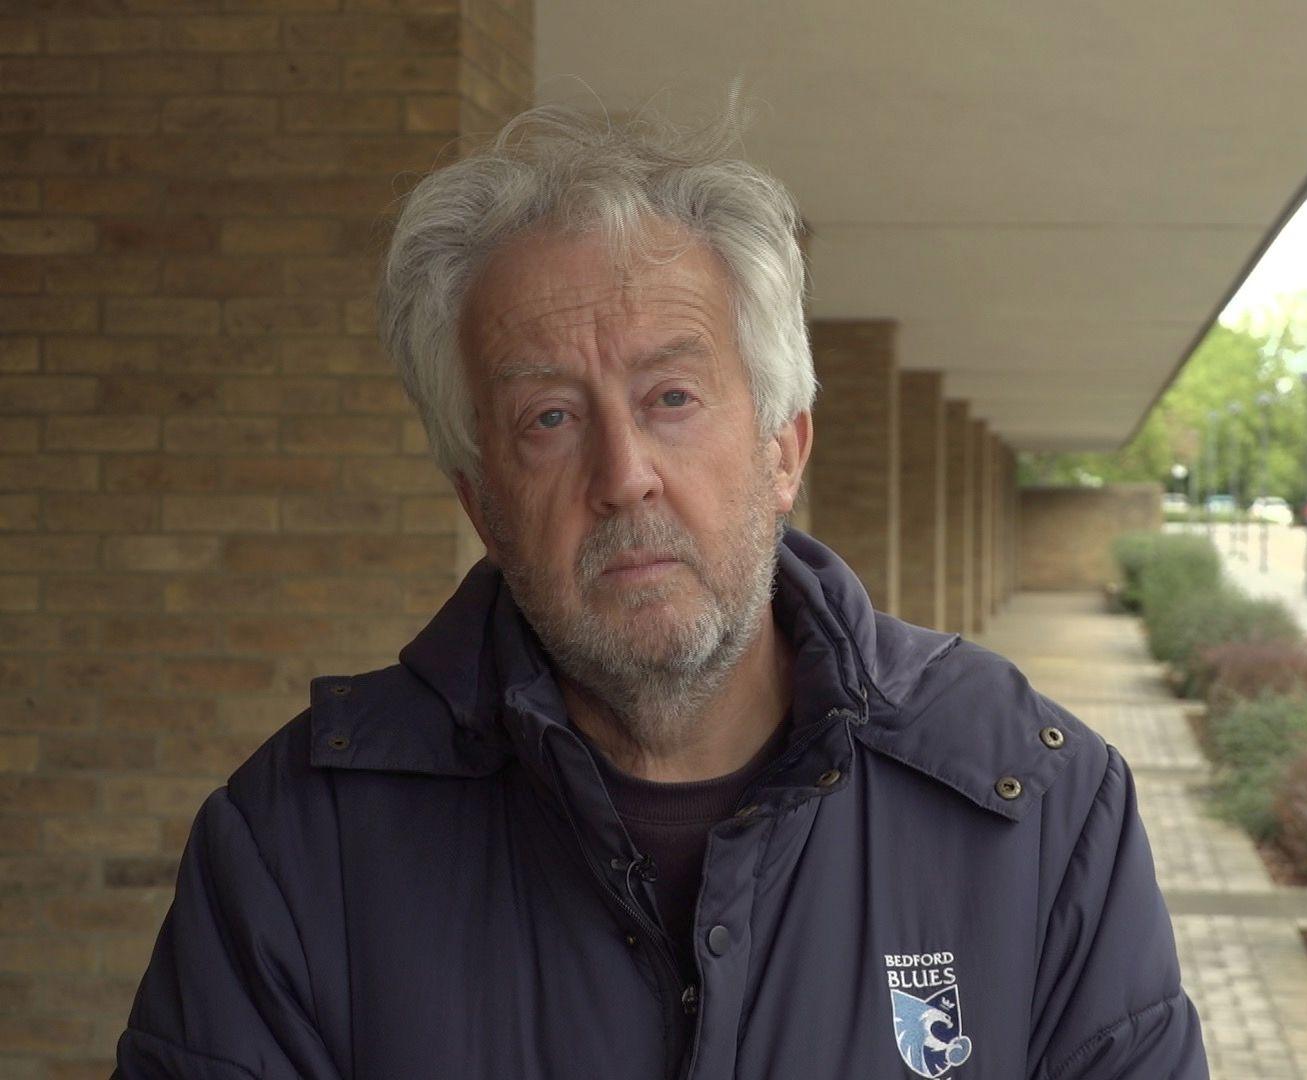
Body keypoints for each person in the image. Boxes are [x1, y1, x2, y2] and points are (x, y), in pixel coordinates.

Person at [114, 105, 1206, 1079]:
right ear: (483, 500)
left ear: (785, 451)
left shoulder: (1037, 807)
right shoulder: (298, 845)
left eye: (672, 396)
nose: (623, 471)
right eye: (549, 416)